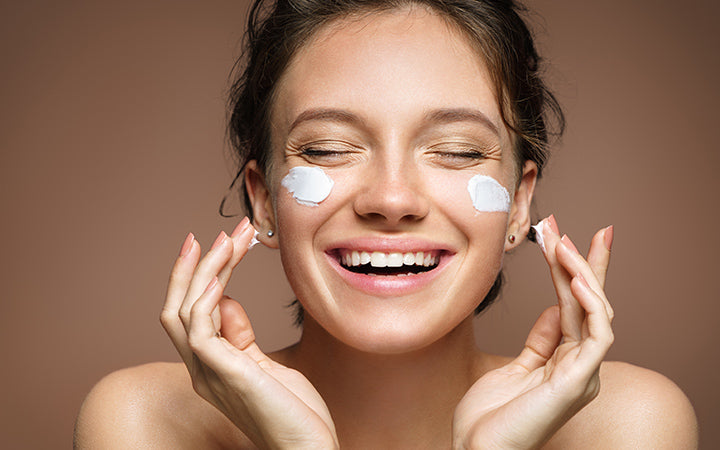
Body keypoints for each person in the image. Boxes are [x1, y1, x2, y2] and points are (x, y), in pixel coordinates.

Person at [75, 0, 698, 448]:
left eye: (456, 149)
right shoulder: (145, 423)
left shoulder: (627, 425)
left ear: (518, 205)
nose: (392, 198)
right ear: (263, 202)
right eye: (325, 148)